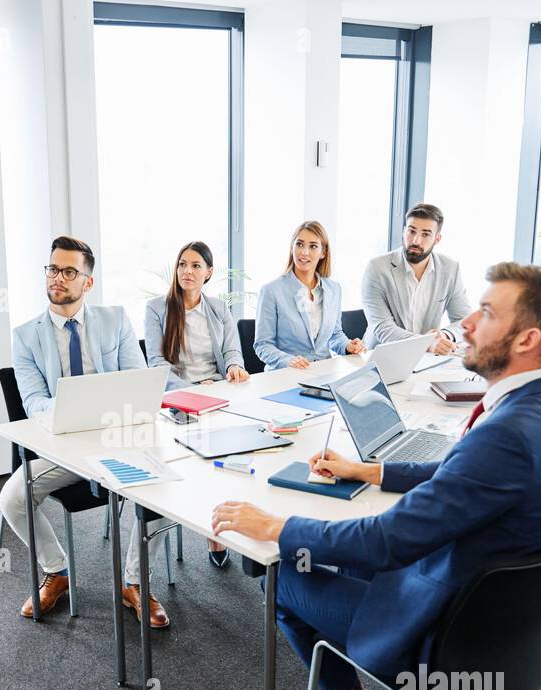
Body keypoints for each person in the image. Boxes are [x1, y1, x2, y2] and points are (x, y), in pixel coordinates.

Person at [212, 262, 541, 690]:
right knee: (340, 560)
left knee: (284, 576)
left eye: (485, 313)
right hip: (515, 631)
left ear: (526, 338)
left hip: (452, 642)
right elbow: (460, 474)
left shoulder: (507, 435)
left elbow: (388, 541)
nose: (466, 323)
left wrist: (276, 528)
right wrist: (369, 470)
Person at [0, 236, 174, 627]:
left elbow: (138, 381)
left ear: (87, 282)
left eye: (69, 271)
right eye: (52, 269)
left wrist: (109, 412)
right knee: (11, 497)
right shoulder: (26, 335)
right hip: (65, 447)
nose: (57, 278)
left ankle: (134, 581)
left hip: (118, 439)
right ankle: (57, 571)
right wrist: (79, 407)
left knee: (168, 485)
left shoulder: (114, 320)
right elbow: (34, 402)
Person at [144, 240, 248, 568]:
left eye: (195, 266)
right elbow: (155, 364)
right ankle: (207, 526)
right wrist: (191, 389)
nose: (187, 272)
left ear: (209, 273)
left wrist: (233, 367)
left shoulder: (219, 308)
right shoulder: (157, 309)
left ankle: (220, 526)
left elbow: (232, 349)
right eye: (182, 265)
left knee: (233, 453)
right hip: (177, 399)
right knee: (205, 453)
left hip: (218, 394)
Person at [253, 221, 366, 370]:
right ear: (292, 247)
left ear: (323, 252)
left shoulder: (334, 289)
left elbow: (335, 334)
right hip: (285, 375)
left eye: (313, 246)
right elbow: (263, 345)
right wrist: (288, 361)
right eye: (299, 244)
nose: (304, 252)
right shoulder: (271, 291)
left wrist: (347, 346)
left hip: (323, 373)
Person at [361, 203, 471, 355]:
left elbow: (465, 321)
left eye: (425, 234)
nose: (416, 241)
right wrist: (427, 343)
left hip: (427, 359)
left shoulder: (450, 269)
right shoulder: (377, 268)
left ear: (437, 239)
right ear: (403, 231)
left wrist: (444, 335)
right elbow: (383, 328)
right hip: (382, 357)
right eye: (411, 231)